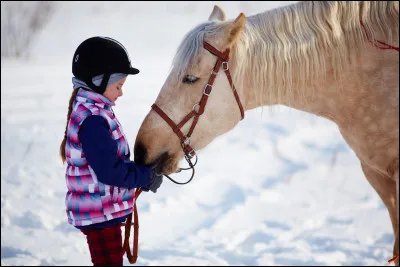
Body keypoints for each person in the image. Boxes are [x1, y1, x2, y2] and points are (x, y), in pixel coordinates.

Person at [59, 36, 163, 266]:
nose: (121, 93)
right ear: (98, 81)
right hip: (100, 215)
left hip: (102, 211)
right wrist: (145, 176)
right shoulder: (93, 119)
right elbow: (109, 171)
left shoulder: (94, 110)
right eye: (118, 86)